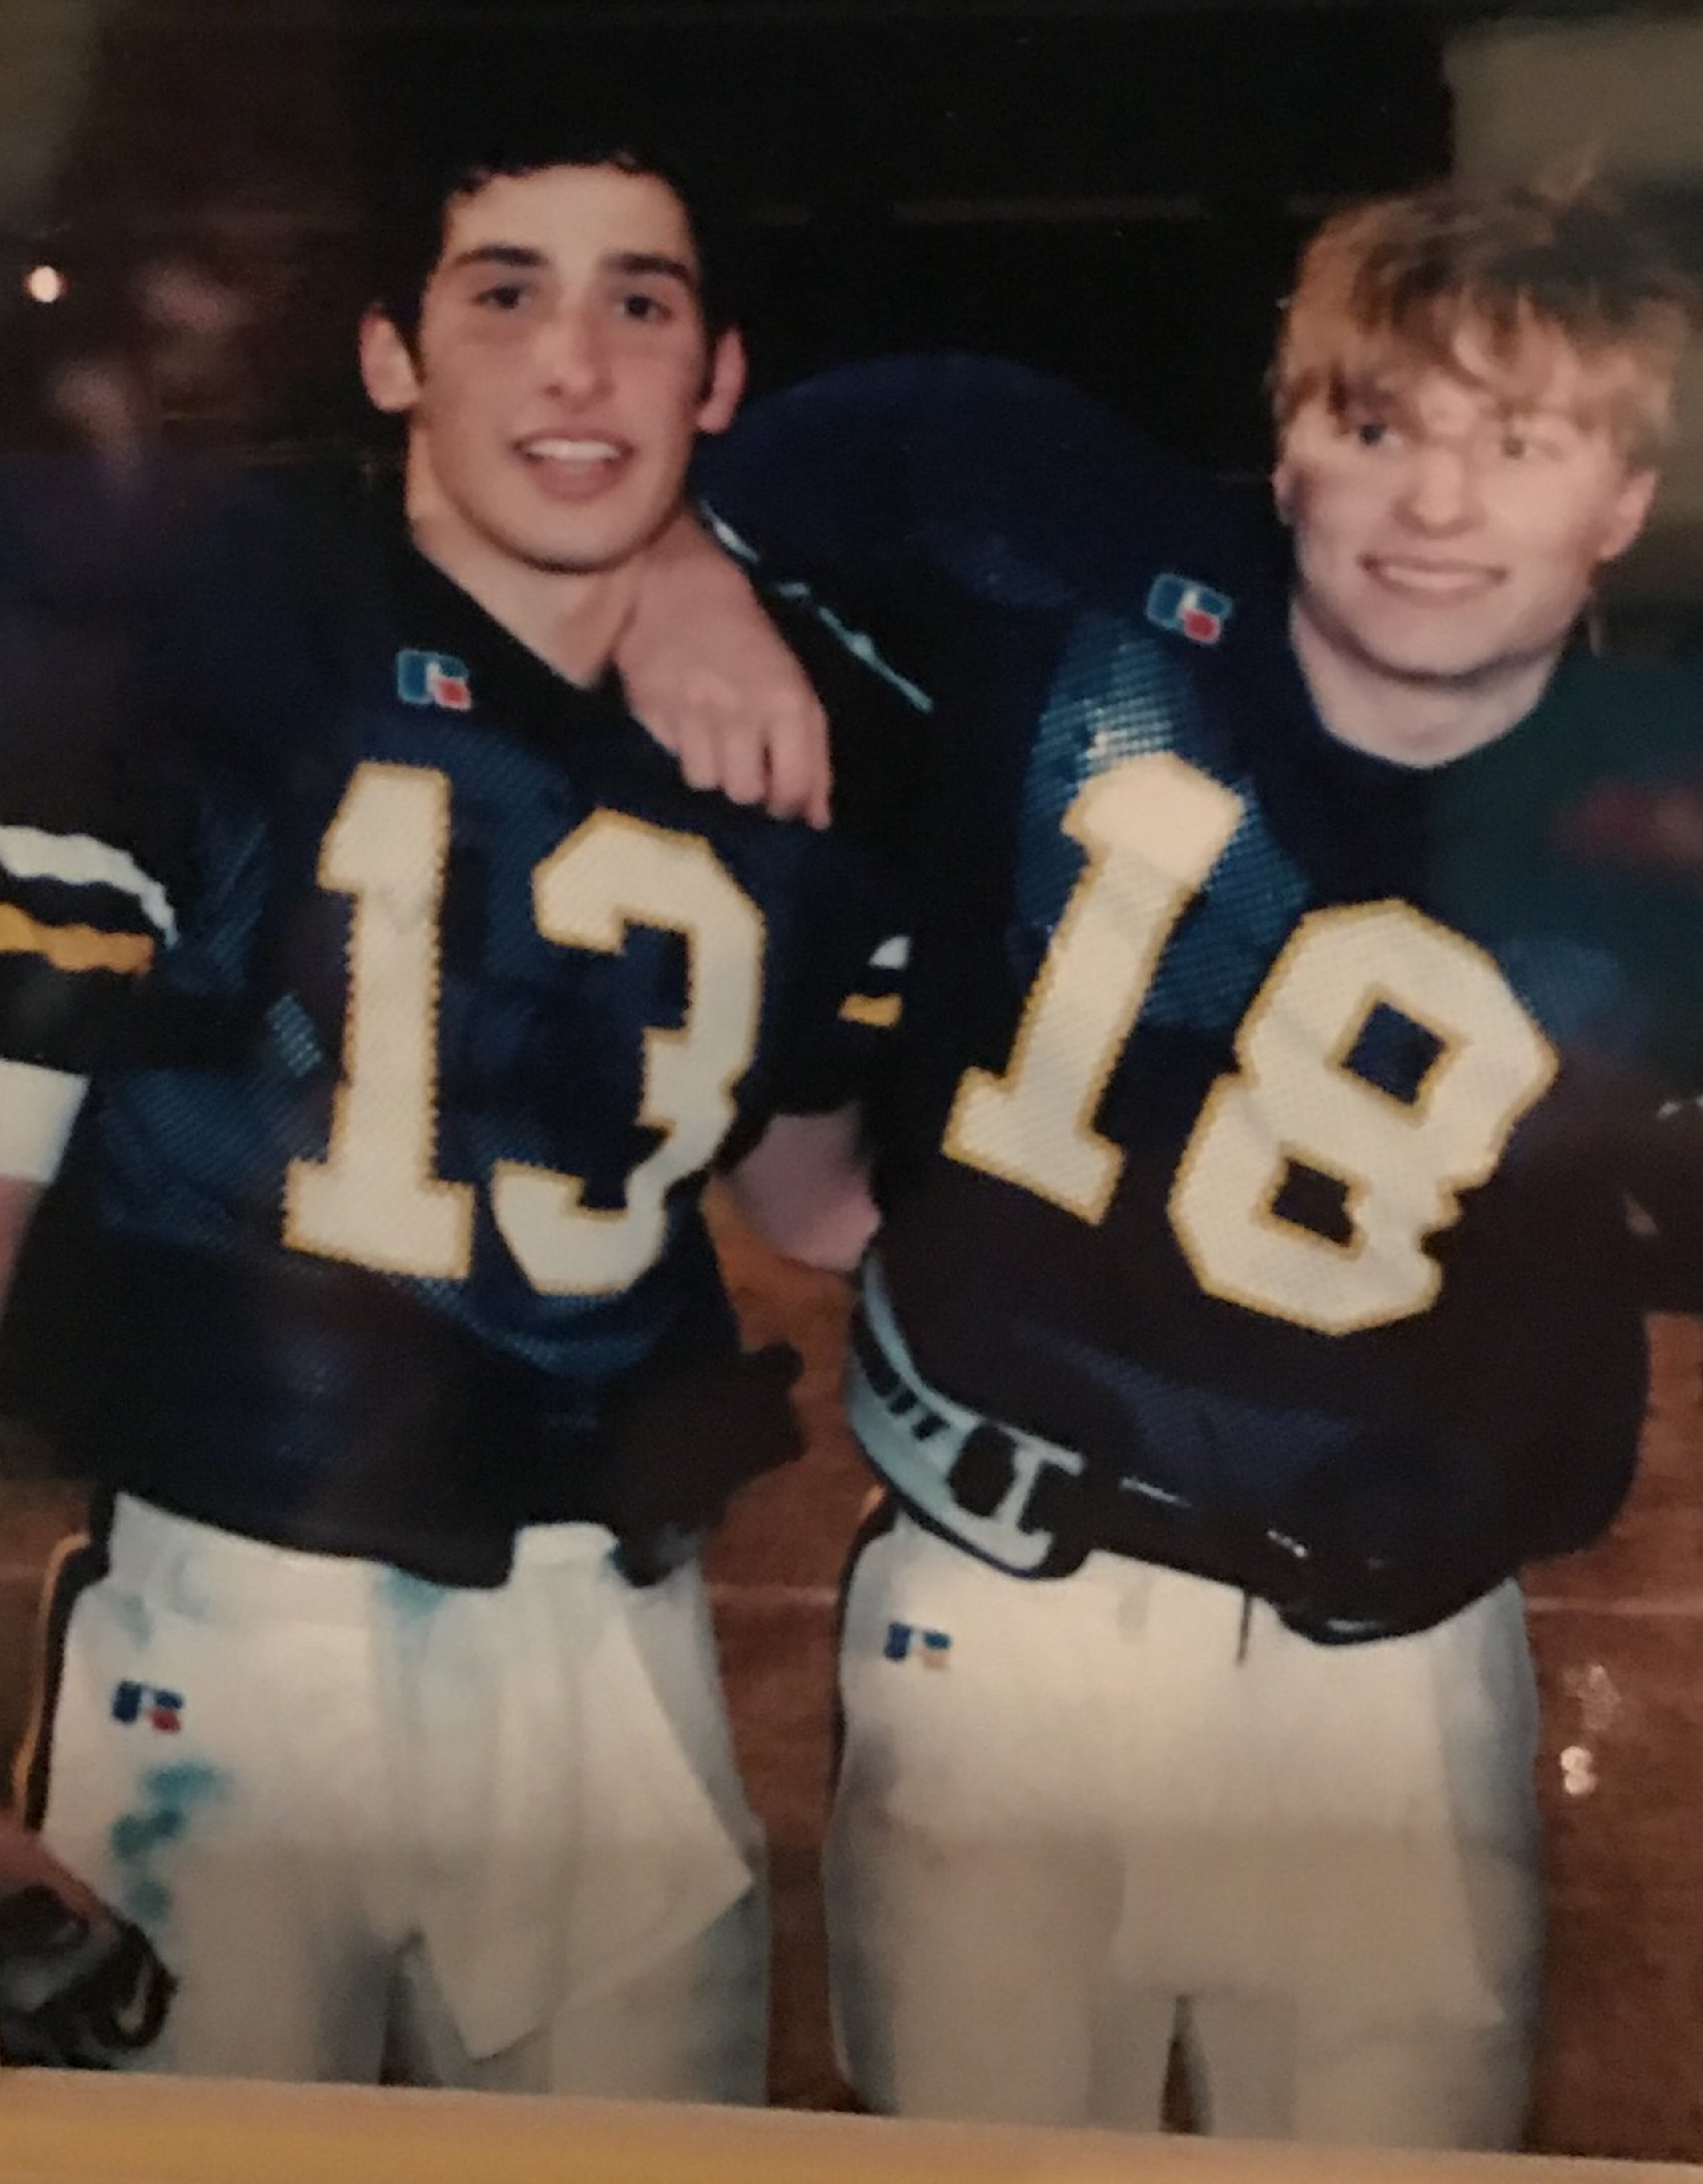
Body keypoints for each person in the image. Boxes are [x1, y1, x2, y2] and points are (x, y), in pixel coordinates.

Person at [619, 172, 1703, 2144]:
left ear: (1620, 497)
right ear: (1285, 446)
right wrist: (689, 564)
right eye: (1378, 428)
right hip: (1004, 1607)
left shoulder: (1656, 798)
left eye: (1521, 443)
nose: (1436, 506)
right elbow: (718, 475)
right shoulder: (1083, 554)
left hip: (1403, 1663)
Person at [0, 120, 914, 2093]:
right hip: (232, 1631)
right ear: (391, 354)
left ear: (718, 375)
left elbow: (827, 1197)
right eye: (506, 295)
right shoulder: (219, 634)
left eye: (639, 306)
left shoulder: (808, 757)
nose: (576, 366)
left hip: (616, 1658)